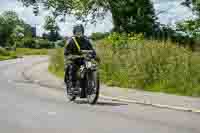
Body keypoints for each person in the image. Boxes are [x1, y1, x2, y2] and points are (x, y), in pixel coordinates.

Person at [64, 24, 99, 95]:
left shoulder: (86, 40)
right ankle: (73, 87)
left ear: (83, 31)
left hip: (85, 60)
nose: (79, 32)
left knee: (90, 66)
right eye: (77, 31)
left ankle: (89, 85)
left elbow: (92, 49)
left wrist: (95, 56)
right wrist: (72, 56)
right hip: (75, 60)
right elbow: (66, 52)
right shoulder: (71, 41)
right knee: (73, 67)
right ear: (74, 31)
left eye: (80, 31)